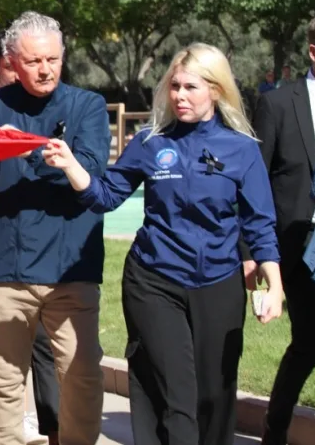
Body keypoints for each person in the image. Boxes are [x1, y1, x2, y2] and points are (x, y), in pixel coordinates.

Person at [44, 42, 282, 445]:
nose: (180, 96)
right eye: (175, 86)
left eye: (191, 87)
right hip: (154, 279)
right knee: (176, 392)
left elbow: (260, 223)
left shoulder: (241, 149)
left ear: (216, 90)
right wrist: (72, 167)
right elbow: (106, 196)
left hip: (218, 282)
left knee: (213, 391)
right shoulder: (151, 141)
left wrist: (273, 285)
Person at [0, 12, 109, 445]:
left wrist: (25, 148)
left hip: (70, 268)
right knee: (0, 385)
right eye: (34, 61)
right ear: (11, 62)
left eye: (53, 59)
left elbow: (88, 177)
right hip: (1, 268)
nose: (45, 69)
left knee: (83, 378)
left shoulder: (88, 106)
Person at [255, 11, 315, 444]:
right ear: (314, 52)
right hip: (295, 241)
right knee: (311, 341)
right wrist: (251, 251)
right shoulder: (277, 103)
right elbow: (254, 183)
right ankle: (275, 428)